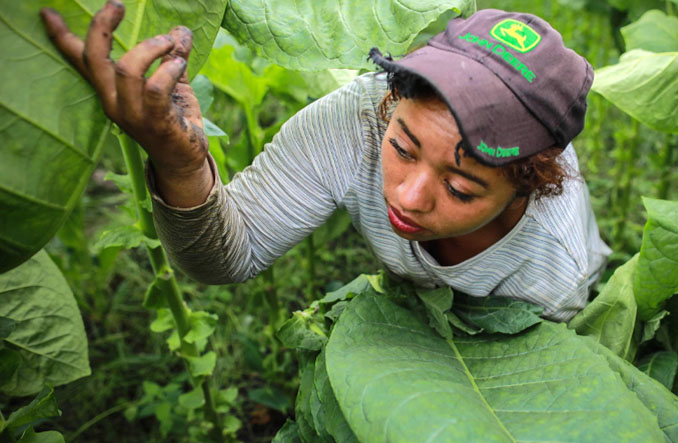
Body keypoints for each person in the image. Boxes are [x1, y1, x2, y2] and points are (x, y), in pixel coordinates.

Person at [41, 1, 610, 322]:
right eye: (403, 149)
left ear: (530, 185)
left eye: (460, 189)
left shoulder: (552, 272)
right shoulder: (362, 117)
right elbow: (228, 256)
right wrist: (180, 166)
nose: (407, 197)